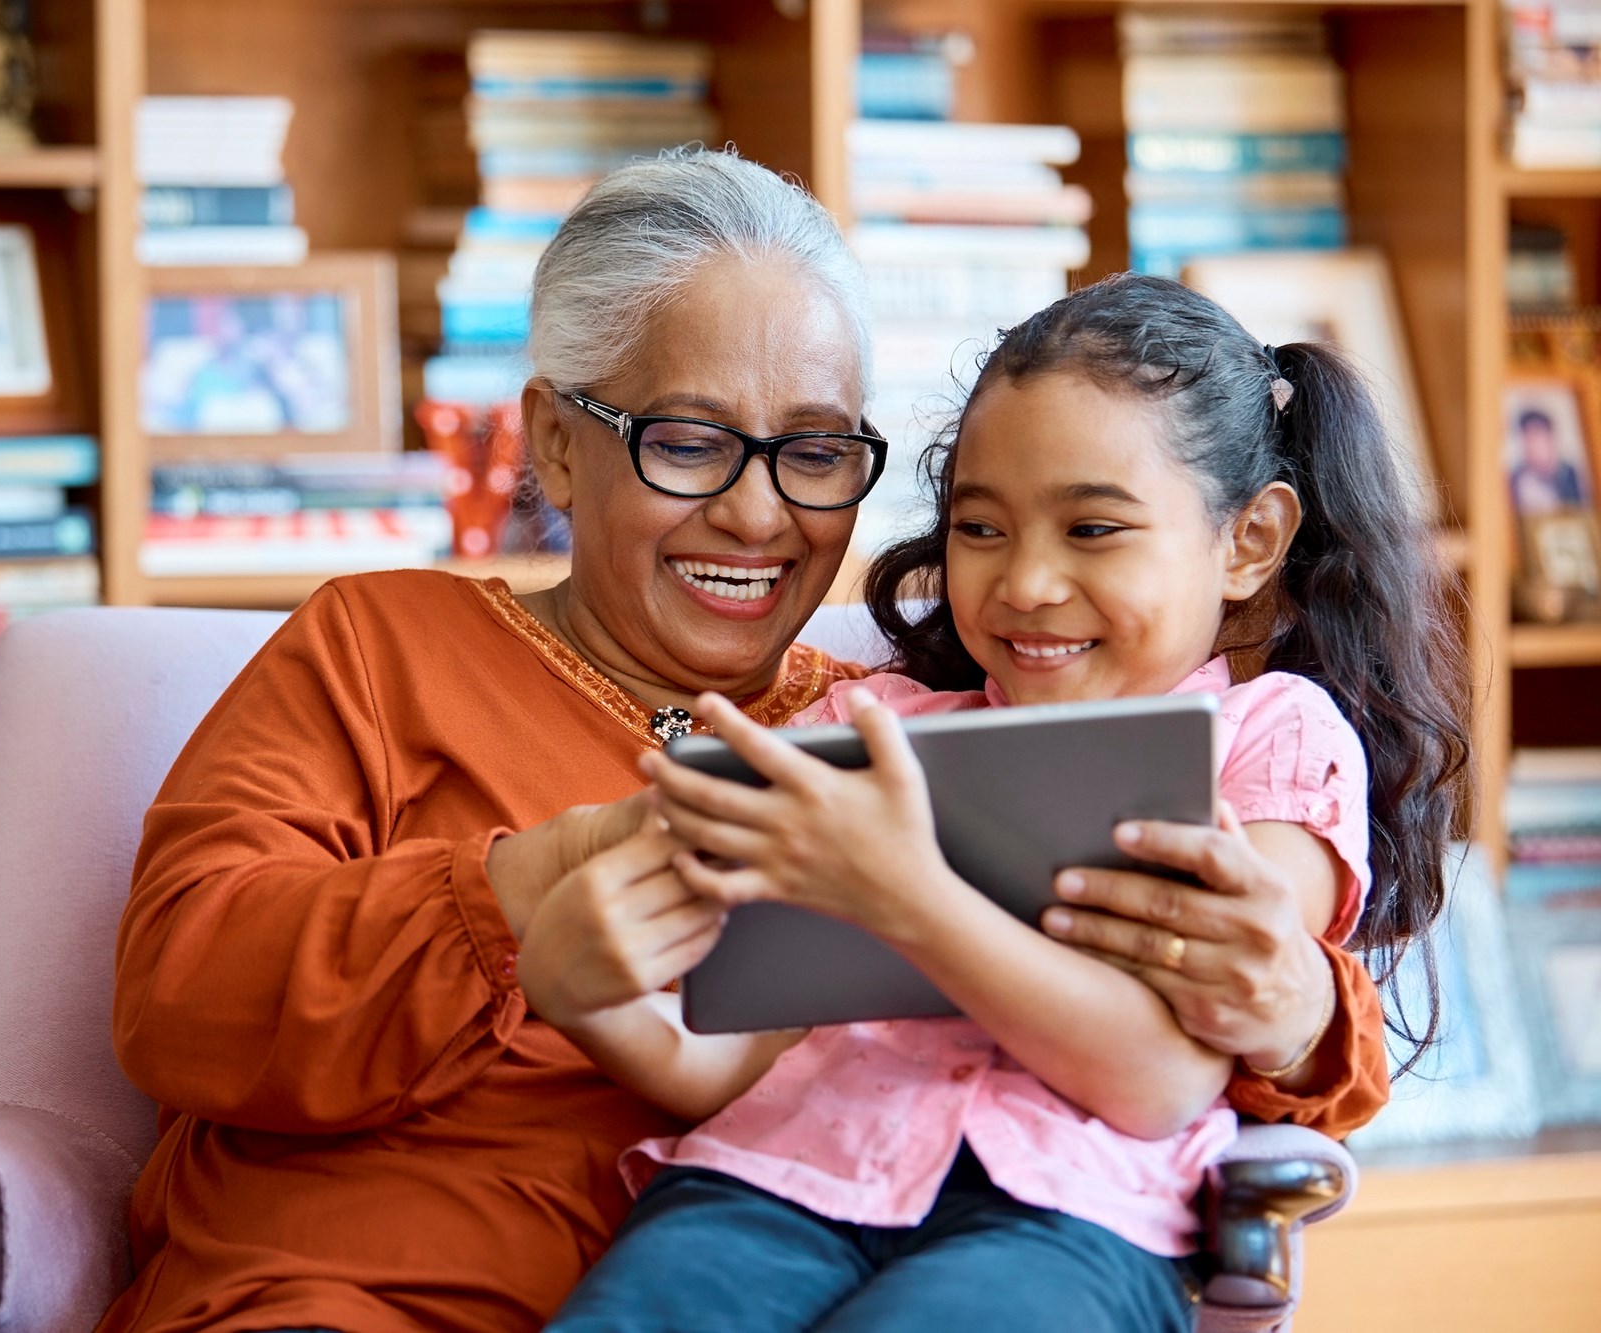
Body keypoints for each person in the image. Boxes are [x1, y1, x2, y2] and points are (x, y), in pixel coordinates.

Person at [103, 155, 1394, 1333]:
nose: (758, 514)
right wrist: (523, 892)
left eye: (815, 452)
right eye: (688, 443)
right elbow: (181, 993)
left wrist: (1300, 1012)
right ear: (553, 444)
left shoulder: (890, 734)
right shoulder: (380, 645)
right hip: (350, 1294)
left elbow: (1218, 1032)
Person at [543, 274, 1469, 1333]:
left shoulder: (1269, 736)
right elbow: (732, 1063)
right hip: (774, 1184)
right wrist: (582, 994)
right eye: (980, 528)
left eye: (1093, 528)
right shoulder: (867, 725)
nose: (1025, 582)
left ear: (1248, 541)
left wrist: (908, 897)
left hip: (1070, 1220)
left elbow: (1158, 1077)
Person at [1509, 406, 1588, 516]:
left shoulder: (1570, 474)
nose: (1531, 445)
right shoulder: (1517, 478)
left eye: (1536, 436)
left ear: (1550, 439)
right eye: (1526, 437)